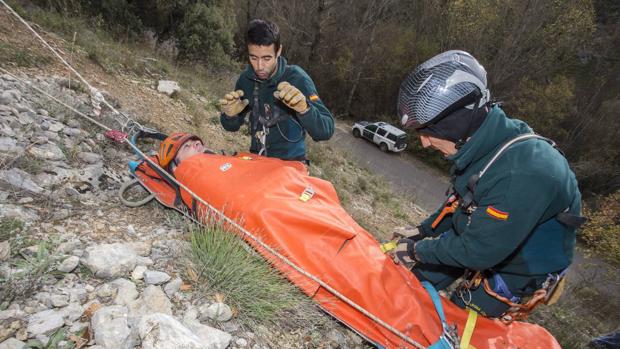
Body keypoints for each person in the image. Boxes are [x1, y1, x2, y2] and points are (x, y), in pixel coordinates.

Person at [391, 50, 584, 320]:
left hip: (519, 266)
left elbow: (478, 251)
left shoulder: (522, 174)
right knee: (414, 279)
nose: (424, 143)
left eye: (429, 133)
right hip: (482, 234)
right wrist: (421, 232)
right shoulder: (484, 143)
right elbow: (461, 202)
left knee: (457, 320)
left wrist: (417, 250)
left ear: (456, 124)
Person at [218, 19, 334, 162]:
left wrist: (305, 109)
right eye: (253, 57)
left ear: (278, 51)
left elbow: (325, 131)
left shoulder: (297, 78)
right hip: (257, 160)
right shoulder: (246, 80)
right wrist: (229, 116)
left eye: (266, 58)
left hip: (290, 165)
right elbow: (231, 127)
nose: (259, 66)